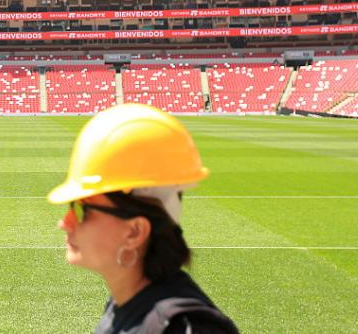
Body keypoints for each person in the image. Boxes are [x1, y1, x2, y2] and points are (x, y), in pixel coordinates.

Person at [49, 104, 238, 333]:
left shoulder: (181, 327)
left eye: (82, 209)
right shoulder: (128, 306)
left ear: (135, 232)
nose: (65, 222)